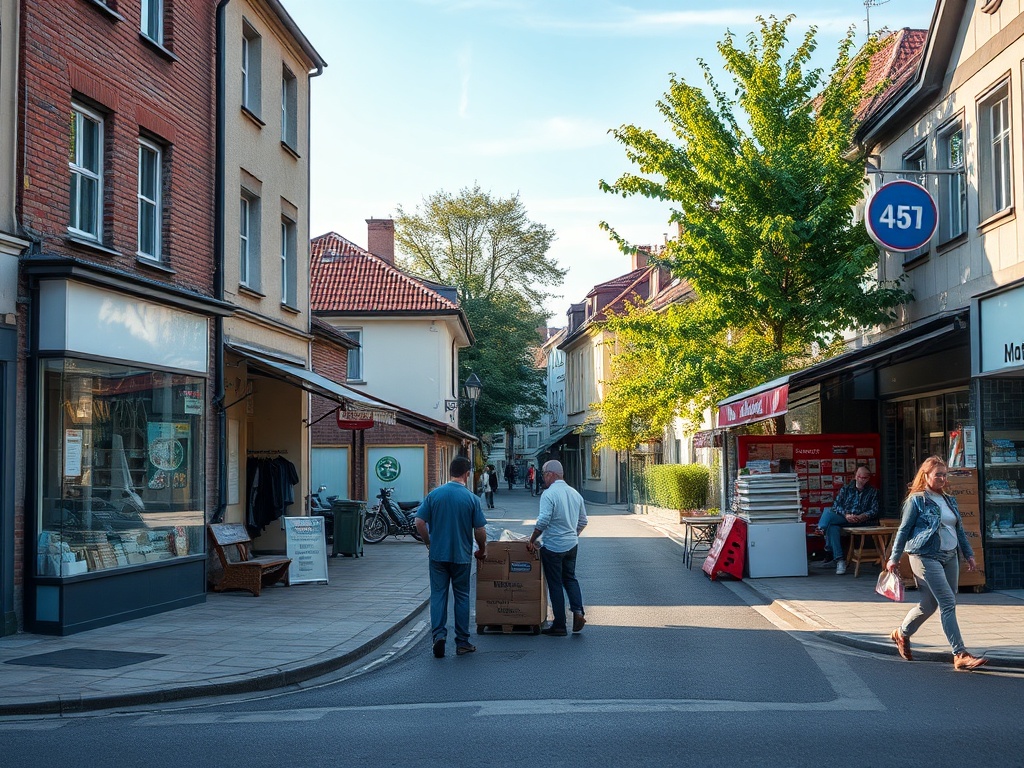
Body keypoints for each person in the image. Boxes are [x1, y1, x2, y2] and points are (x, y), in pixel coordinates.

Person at [886, 456, 987, 671]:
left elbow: (958, 529)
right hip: (925, 556)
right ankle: (959, 653)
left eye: (944, 474)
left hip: (950, 556)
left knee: (929, 605)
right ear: (926, 476)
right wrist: (894, 558)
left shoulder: (949, 499)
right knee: (948, 602)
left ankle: (901, 633)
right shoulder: (917, 500)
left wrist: (968, 555)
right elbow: (903, 531)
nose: (942, 478)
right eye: (937, 475)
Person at [414, 456, 488, 658]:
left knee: (438, 595)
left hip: (437, 555)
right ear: (467, 473)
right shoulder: (472, 499)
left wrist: (429, 542)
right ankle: (462, 642)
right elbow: (480, 530)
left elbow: (419, 522)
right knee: (462, 596)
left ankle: (439, 635)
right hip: (462, 556)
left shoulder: (434, 495)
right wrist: (482, 549)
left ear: (450, 472)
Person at [526, 460, 588, 636]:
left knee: (555, 584)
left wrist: (532, 539)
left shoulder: (549, 494)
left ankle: (559, 625)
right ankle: (578, 611)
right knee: (570, 579)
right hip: (571, 545)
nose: (543, 478)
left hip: (553, 546)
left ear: (551, 474)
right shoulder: (575, 493)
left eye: (544, 474)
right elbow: (583, 521)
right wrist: (573, 534)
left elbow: (544, 520)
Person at [813, 464, 879, 575]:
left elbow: (874, 509)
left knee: (831, 525)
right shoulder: (846, 489)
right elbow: (836, 505)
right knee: (830, 514)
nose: (861, 480)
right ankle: (839, 560)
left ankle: (822, 532)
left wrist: (863, 516)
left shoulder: (872, 491)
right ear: (855, 476)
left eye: (864, 478)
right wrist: (846, 515)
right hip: (845, 518)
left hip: (862, 520)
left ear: (868, 478)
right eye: (859, 476)